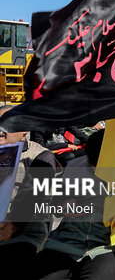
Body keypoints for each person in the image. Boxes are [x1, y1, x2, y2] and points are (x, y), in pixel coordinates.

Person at [32, 130, 115, 280]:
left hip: (109, 248)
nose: (98, 171)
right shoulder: (74, 168)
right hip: (66, 243)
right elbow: (54, 204)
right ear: (87, 157)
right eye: (93, 165)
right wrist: (62, 206)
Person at [0, 105, 56, 280]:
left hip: (25, 232)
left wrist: (13, 225)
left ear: (23, 129)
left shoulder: (40, 156)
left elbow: (34, 197)